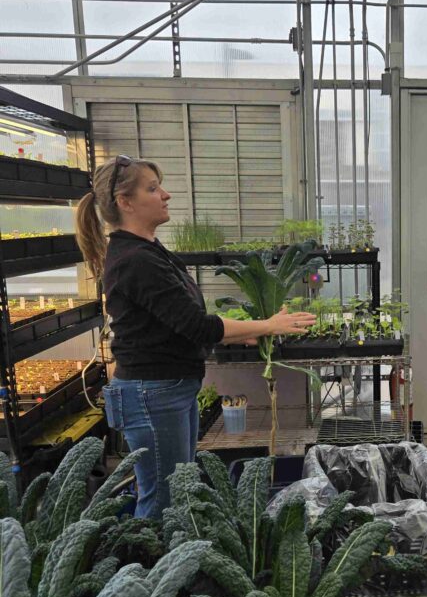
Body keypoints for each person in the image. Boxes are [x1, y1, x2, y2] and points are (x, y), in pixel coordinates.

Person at [75, 155, 316, 518]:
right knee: (161, 501)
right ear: (125, 202)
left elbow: (176, 326)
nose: (166, 195)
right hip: (152, 394)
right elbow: (198, 325)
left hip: (168, 388)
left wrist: (241, 334)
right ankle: (149, 570)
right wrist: (267, 326)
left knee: (177, 489)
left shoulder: (148, 252)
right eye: (153, 189)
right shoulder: (135, 260)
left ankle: (169, 567)